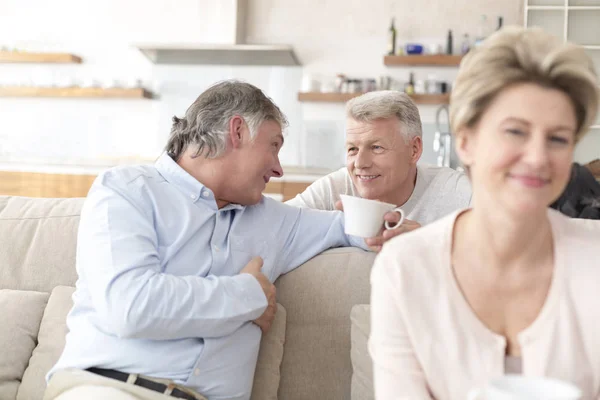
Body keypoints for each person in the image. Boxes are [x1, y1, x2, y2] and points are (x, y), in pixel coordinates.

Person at [44, 80, 371, 400]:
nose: (278, 169)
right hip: (110, 388)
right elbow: (131, 307)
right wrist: (248, 297)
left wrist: (395, 227)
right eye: (273, 146)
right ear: (238, 131)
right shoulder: (127, 190)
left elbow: (359, 229)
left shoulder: (275, 220)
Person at [369, 26, 600, 400]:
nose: (539, 157)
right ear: (466, 142)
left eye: (558, 138)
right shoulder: (405, 269)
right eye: (515, 131)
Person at [286, 91, 472, 250]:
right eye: (352, 149)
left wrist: (431, 241)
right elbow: (275, 224)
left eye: (376, 147)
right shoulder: (334, 189)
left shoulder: (457, 191)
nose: (360, 164)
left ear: (414, 150)